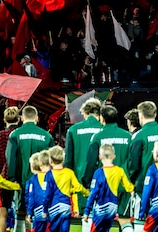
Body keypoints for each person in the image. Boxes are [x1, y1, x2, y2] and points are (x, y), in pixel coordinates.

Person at [127, 101, 158, 231]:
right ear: (155, 114)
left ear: (141, 115)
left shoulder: (138, 136)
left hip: (142, 189)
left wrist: (132, 182)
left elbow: (133, 164)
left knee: (142, 224)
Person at [7, 106, 54, 232]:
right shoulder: (47, 136)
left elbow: (10, 159)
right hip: (43, 183)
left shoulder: (15, 135)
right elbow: (52, 161)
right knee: (42, 213)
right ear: (37, 118)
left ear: (21, 118)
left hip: (21, 181)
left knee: (21, 213)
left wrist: (12, 178)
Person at [66, 99, 104, 232]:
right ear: (99, 113)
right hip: (103, 176)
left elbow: (68, 159)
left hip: (79, 178)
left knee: (84, 214)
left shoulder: (73, 129)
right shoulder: (104, 129)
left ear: (84, 113)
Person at [84, 143, 134, 232]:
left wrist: (87, 211)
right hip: (113, 207)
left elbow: (93, 193)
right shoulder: (120, 171)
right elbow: (128, 187)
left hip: (101, 206)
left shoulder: (98, 173)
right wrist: (133, 189)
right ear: (114, 156)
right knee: (106, 229)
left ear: (99, 157)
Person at [47, 145, 89, 232]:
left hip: (52, 206)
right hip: (65, 206)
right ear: (63, 159)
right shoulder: (69, 172)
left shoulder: (48, 174)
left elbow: (46, 192)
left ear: (50, 160)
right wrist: (87, 193)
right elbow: (77, 187)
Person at [0, 107, 21, 232]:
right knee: (23, 212)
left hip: (4, 177)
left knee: (2, 211)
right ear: (19, 119)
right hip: (22, 176)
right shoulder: (22, 134)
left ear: (4, 120)